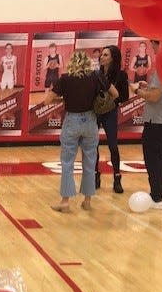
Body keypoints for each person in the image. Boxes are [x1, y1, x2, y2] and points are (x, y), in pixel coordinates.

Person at [43, 50, 117, 212]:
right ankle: (87, 200)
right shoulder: (96, 76)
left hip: (72, 121)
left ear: (72, 62)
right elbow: (115, 93)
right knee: (90, 163)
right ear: (87, 63)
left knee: (67, 162)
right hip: (91, 121)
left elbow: (47, 101)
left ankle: (65, 201)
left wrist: (63, 97)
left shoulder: (65, 79)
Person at [133, 40, 162, 210]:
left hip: (156, 120)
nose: (152, 48)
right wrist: (148, 86)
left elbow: (154, 97)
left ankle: (156, 197)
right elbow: (160, 91)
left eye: (153, 45)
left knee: (153, 158)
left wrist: (136, 90)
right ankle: (160, 192)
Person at [94, 45, 129, 193]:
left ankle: (117, 177)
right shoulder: (96, 73)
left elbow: (124, 96)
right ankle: (95, 175)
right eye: (101, 55)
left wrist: (110, 102)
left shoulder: (121, 75)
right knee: (93, 145)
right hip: (96, 112)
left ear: (113, 58)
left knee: (113, 146)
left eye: (106, 55)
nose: (102, 57)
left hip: (110, 112)